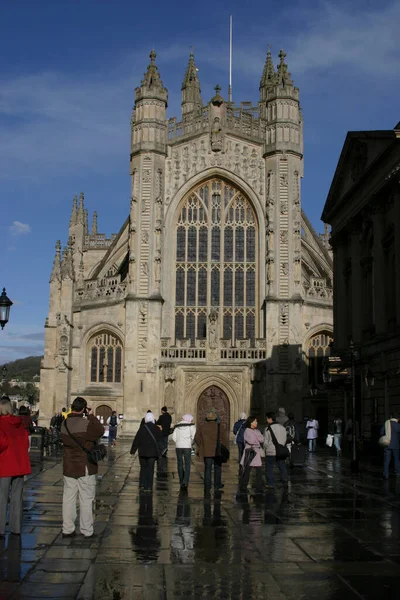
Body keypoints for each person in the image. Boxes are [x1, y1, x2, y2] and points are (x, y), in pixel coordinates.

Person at [60, 396, 104, 538]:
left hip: (68, 466)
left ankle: (67, 529)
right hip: (85, 466)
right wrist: (90, 415)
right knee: (86, 498)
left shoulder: (64, 424)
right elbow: (100, 430)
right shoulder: (85, 425)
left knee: (68, 498)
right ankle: (86, 530)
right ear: (83, 409)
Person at [0, 397, 31, 537]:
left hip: (5, 465)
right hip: (19, 465)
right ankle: (16, 527)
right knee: (17, 497)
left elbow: (2, 444)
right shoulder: (19, 424)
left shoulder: (1, 424)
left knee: (2, 497)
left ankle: (0, 528)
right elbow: (26, 444)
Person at [194, 411, 228, 495]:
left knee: (207, 469)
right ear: (216, 418)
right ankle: (217, 484)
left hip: (206, 451)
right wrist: (223, 447)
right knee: (217, 468)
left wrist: (201, 445)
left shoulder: (202, 427)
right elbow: (225, 439)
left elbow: (196, 438)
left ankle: (207, 485)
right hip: (218, 451)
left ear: (207, 418)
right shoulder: (220, 427)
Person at [130, 412, 163, 492]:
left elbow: (137, 439)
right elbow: (160, 441)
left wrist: (133, 450)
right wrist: (161, 450)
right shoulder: (157, 428)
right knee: (151, 469)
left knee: (143, 468)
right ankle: (149, 486)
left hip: (142, 452)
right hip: (152, 453)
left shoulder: (142, 428)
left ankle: (142, 484)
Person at [239, 416, 264, 494]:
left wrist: (257, 438)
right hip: (250, 451)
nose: (256, 423)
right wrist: (257, 439)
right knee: (247, 470)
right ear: (251, 423)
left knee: (259, 471)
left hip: (256, 452)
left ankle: (259, 487)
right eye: (255, 421)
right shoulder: (247, 431)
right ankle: (243, 486)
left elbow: (262, 439)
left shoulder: (257, 431)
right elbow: (252, 441)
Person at [264, 412, 288, 488]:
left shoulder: (267, 428)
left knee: (269, 467)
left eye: (267, 418)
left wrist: (266, 448)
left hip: (271, 451)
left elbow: (265, 441)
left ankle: (270, 483)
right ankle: (285, 480)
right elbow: (285, 439)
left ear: (270, 418)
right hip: (280, 451)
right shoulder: (282, 428)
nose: (266, 420)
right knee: (282, 465)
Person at [172, 414, 196, 490]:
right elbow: (194, 437)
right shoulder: (191, 426)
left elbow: (173, 437)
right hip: (187, 447)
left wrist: (178, 442)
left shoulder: (177, 426)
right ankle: (185, 481)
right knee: (187, 464)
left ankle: (181, 480)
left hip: (178, 447)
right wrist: (190, 443)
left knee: (179, 463)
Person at [381, 415, 400, 479]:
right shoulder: (397, 425)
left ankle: (386, 474)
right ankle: (397, 472)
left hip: (387, 444)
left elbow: (381, 432)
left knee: (386, 460)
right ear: (397, 418)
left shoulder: (386, 423)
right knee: (396, 459)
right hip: (395, 445)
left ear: (391, 417)